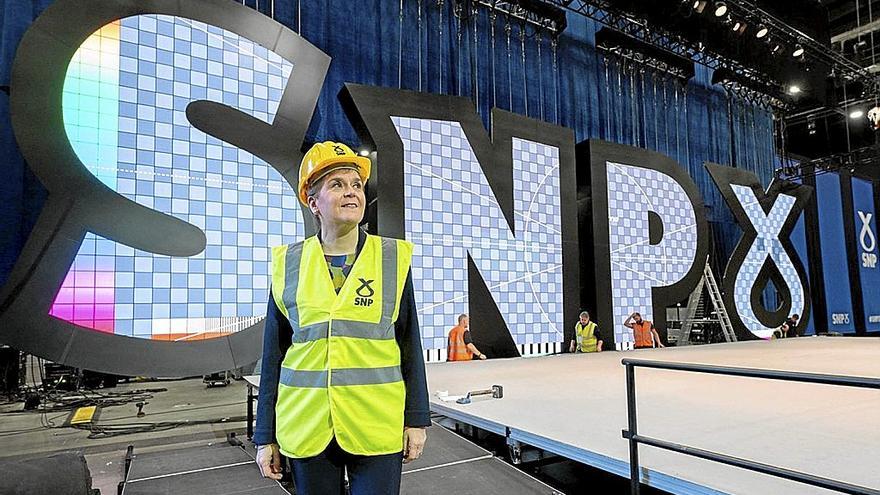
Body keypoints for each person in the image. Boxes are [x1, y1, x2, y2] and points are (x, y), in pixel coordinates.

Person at [253, 142, 430, 495]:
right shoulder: (288, 264)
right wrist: (264, 435)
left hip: (375, 422)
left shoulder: (392, 259)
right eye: (337, 184)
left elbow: (410, 344)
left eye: (356, 184)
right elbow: (274, 354)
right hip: (306, 424)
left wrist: (416, 419)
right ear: (313, 201)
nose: (351, 192)